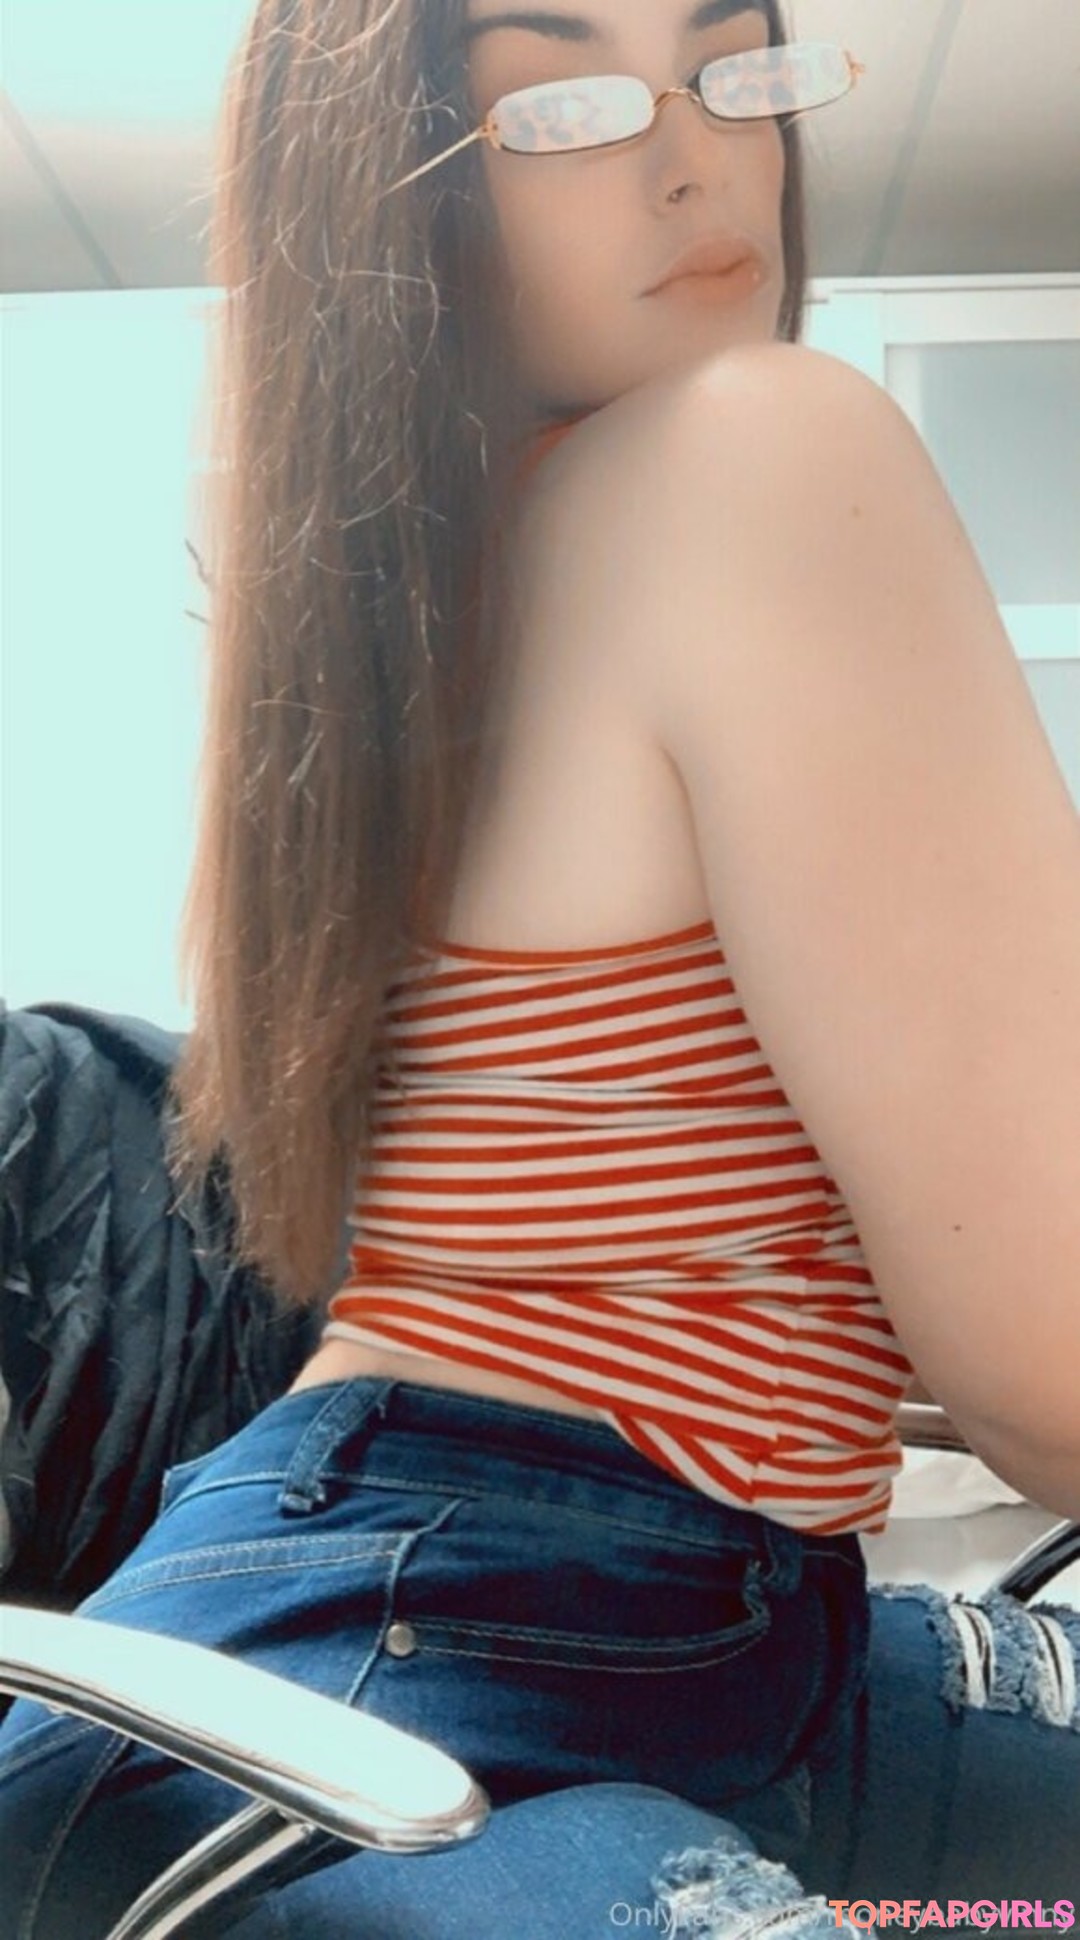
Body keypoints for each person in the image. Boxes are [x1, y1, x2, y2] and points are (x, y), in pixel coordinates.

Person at [2, 0, 1080, 1933]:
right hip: (400, 1688)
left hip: (642, 1621)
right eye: (562, 101)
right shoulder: (761, 450)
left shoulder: (434, 588)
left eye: (733, 65)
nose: (692, 153)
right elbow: (1053, 1368)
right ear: (387, 187)